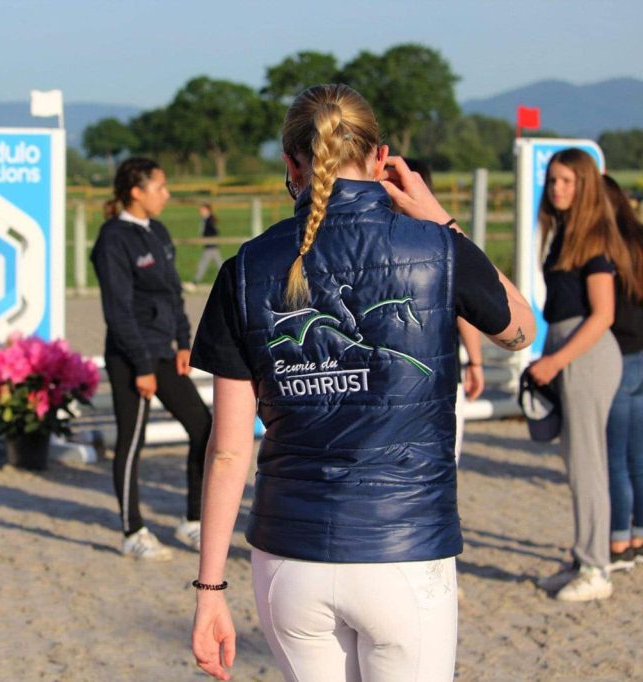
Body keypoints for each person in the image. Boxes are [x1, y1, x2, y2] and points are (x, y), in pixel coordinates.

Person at [188, 84, 534, 681]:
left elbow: (227, 450)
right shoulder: (436, 247)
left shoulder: (244, 268)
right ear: (381, 159)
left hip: (289, 556)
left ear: (291, 164)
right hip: (404, 547)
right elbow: (520, 330)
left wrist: (209, 589)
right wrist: (441, 220)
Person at [90, 157, 213, 560]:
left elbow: (173, 293)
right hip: (131, 356)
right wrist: (142, 367)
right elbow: (118, 311)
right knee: (132, 440)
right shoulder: (112, 239)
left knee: (204, 428)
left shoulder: (157, 231)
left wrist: (184, 342)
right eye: (160, 187)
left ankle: (193, 520)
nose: (167, 194)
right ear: (136, 192)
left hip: (165, 351)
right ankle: (133, 532)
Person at [530, 150, 638, 602]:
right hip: (567, 346)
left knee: (589, 465)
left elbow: (603, 314)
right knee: (577, 463)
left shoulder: (592, 239)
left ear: (585, 186)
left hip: (586, 353)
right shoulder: (563, 234)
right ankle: (583, 558)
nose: (557, 189)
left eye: (567, 181)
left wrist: (555, 361)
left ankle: (596, 568)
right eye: (553, 180)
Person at [404, 158, 485, 457]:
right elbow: (467, 306)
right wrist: (475, 362)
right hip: (440, 370)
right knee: (442, 461)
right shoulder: (443, 242)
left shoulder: (371, 242)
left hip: (392, 372)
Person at [602, 174, 643, 570]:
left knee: (614, 457)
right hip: (641, 353)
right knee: (637, 455)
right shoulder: (638, 239)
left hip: (618, 353)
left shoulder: (604, 247)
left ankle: (618, 539)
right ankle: (639, 533)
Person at [190, 202, 223, 287]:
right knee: (219, 264)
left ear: (207, 210)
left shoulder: (209, 220)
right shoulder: (205, 219)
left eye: (202, 209)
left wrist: (205, 239)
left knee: (203, 264)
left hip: (210, 246)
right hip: (210, 246)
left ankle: (195, 282)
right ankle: (232, 280)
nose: (200, 211)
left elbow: (213, 232)